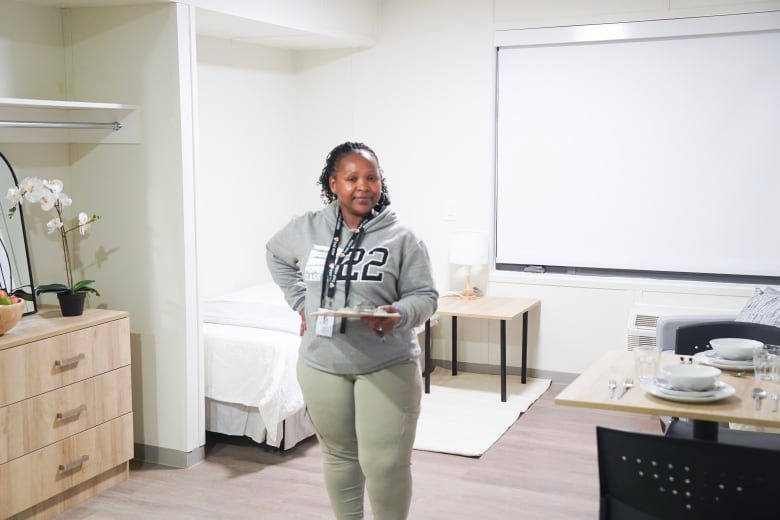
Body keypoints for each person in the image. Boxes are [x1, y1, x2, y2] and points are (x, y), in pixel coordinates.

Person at [266, 141, 438, 519]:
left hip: (386, 363)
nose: (364, 185)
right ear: (333, 183)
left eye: (372, 177)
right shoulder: (306, 228)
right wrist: (300, 303)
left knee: (385, 465)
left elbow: (425, 296)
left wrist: (398, 313)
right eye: (352, 178)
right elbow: (276, 255)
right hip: (322, 363)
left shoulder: (403, 239)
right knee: (340, 457)